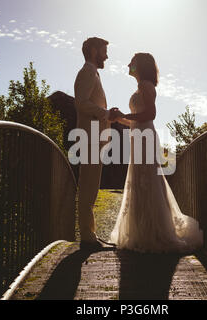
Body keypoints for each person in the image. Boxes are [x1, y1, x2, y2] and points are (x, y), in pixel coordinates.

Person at [109, 53, 204, 253]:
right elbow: (138, 119)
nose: (128, 64)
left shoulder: (145, 85)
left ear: (140, 65)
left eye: (132, 62)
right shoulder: (141, 86)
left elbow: (150, 114)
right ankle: (144, 231)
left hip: (145, 138)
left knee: (147, 180)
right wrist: (120, 119)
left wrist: (124, 115)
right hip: (139, 136)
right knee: (141, 180)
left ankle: (154, 232)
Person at [74, 37, 119, 250]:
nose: (106, 56)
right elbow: (81, 103)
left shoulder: (93, 73)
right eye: (103, 51)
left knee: (91, 187)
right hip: (89, 137)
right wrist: (106, 113)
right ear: (93, 51)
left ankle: (90, 235)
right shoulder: (87, 72)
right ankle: (87, 238)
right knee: (88, 186)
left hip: (94, 137)